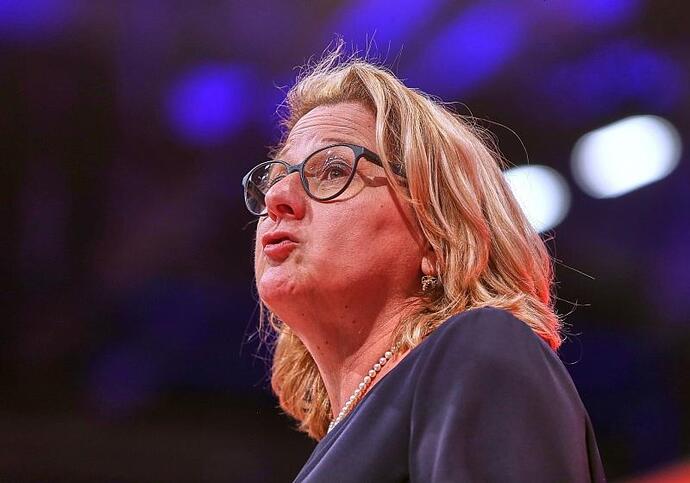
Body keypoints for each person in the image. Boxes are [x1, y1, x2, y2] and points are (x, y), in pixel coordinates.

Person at [242, 47, 606, 482]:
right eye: (275, 178)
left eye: (334, 170)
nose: (277, 197)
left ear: (439, 235)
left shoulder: (480, 348)